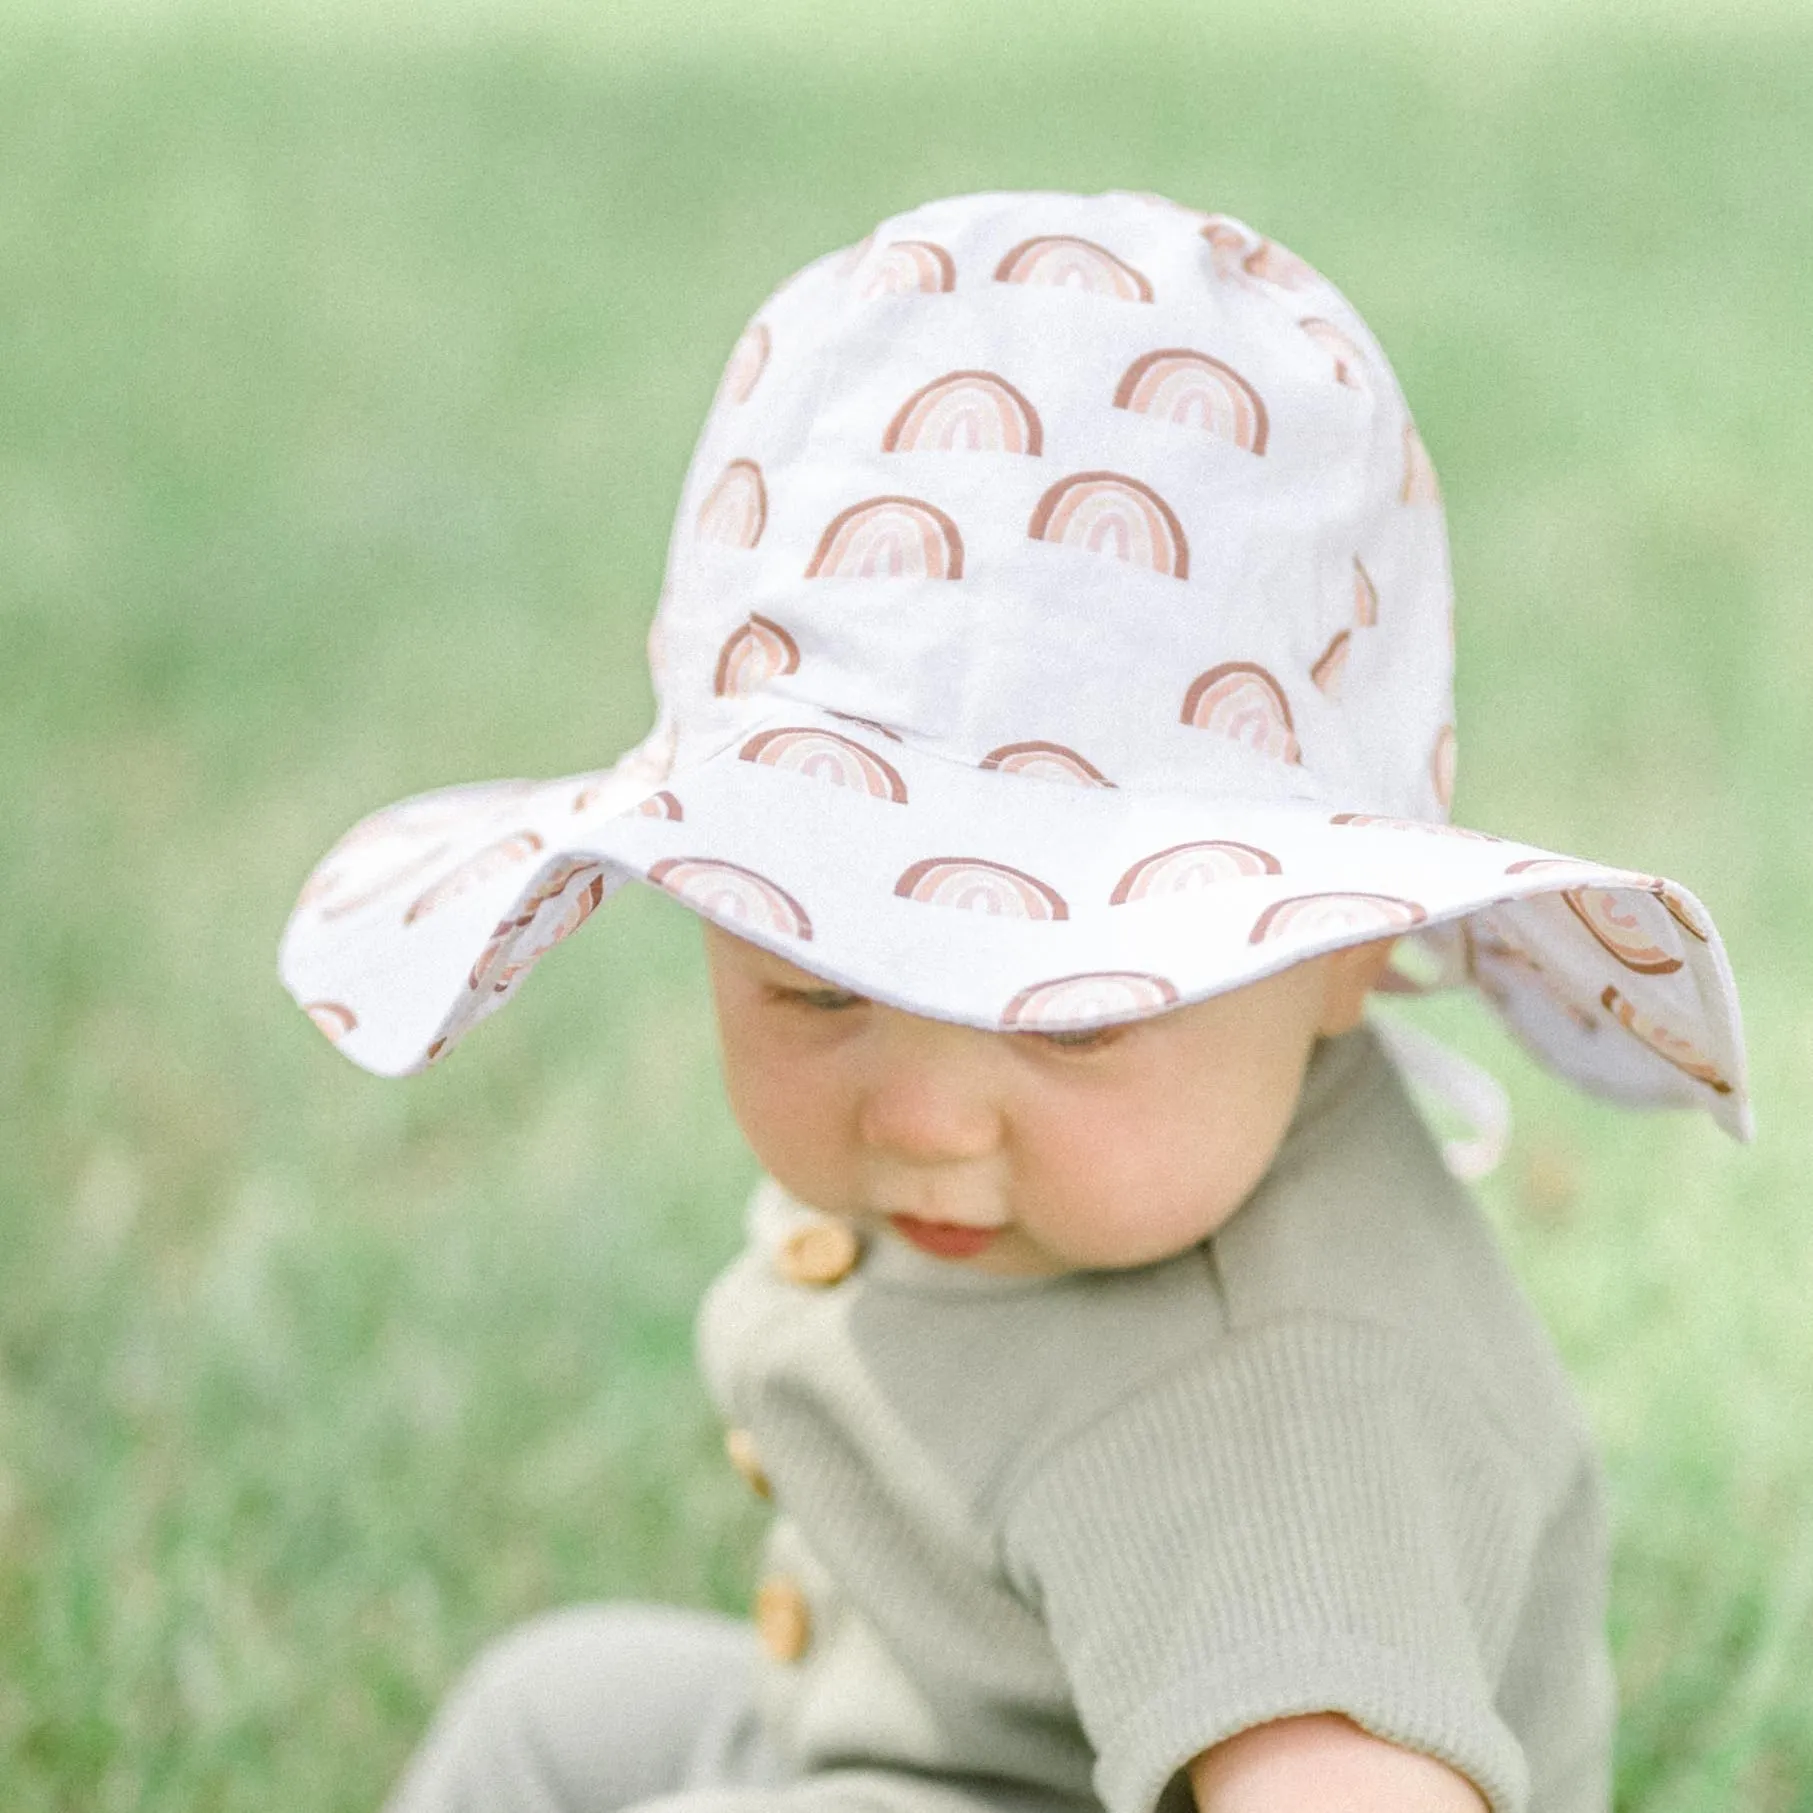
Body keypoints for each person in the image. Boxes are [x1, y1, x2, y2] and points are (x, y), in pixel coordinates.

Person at [279, 190, 1751, 1813]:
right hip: (932, 1723)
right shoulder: (1172, 1143)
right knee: (547, 1719)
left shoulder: (1268, 1402)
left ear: (1342, 953)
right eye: (812, 979)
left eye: (1072, 1015)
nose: (919, 1114)